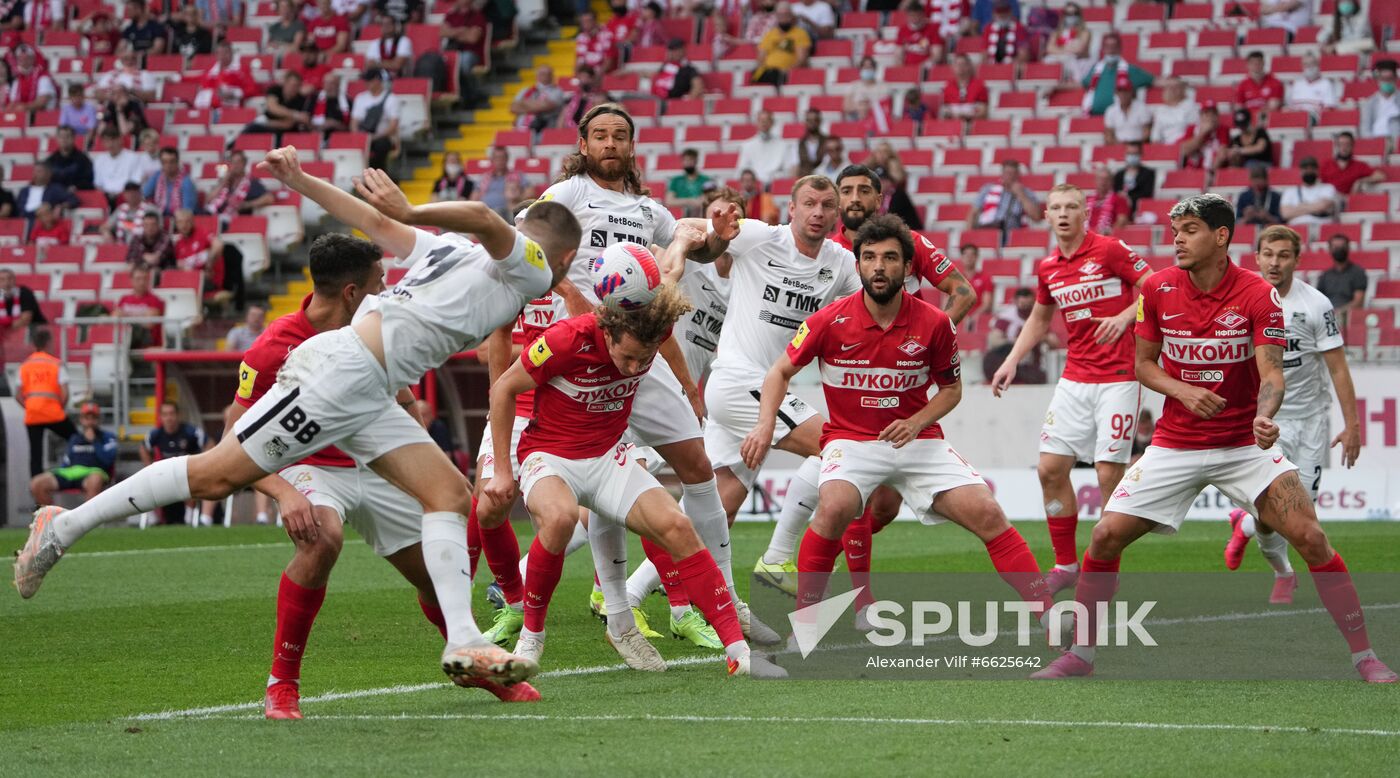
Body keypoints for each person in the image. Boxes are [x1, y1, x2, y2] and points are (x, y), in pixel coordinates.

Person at [13, 147, 583, 696]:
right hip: (339, 377)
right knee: (216, 475)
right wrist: (406, 208)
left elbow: (371, 222)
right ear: (561, 260)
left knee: (448, 496)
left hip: (370, 388)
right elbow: (475, 215)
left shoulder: (451, 248)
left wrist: (302, 181)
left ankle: (465, 640)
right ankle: (63, 527)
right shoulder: (531, 271)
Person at [1031, 194, 1396, 684]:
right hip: (1175, 444)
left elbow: (1272, 377)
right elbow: (1142, 365)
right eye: (1175, 229)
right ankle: (1080, 655)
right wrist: (1185, 390)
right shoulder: (1157, 288)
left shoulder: (1256, 294)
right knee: (1104, 536)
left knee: (1311, 537)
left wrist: (1266, 418)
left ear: (1221, 236)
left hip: (1245, 446)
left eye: (1189, 230)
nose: (1176, 239)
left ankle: (1365, 656)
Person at [238, 236, 538, 717]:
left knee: (436, 578)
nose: (388, 286)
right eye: (380, 279)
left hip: (375, 465)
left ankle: (474, 661)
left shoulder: (373, 328)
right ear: (353, 290)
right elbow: (236, 429)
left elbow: (405, 405)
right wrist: (282, 492)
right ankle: (282, 684)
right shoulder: (277, 343)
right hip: (311, 468)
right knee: (320, 537)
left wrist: (426, 473)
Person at [519, 104, 773, 647]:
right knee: (603, 475)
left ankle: (720, 596)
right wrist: (566, 292)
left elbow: (697, 252)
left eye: (620, 137)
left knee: (698, 468)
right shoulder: (565, 196)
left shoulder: (646, 209)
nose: (611, 144)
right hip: (586, 353)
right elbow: (525, 243)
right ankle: (614, 609)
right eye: (600, 136)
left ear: (632, 147)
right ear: (583, 145)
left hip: (641, 351)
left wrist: (722, 236)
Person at [744, 213, 1055, 636]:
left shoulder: (935, 323)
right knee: (834, 506)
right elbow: (779, 372)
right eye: (869, 257)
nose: (878, 266)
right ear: (858, 266)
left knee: (989, 513)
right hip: (851, 441)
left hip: (919, 441)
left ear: (908, 268)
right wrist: (765, 426)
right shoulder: (828, 321)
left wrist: (915, 421)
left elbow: (951, 390)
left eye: (890, 258)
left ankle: (1050, 614)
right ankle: (808, 624)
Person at [486, 242, 778, 676]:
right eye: (626, 356)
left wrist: (687, 387)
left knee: (679, 527)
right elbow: (503, 389)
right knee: (562, 518)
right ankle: (532, 641)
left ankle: (739, 653)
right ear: (607, 330)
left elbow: (667, 311)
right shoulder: (568, 339)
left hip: (609, 456)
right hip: (550, 456)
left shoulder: (653, 329)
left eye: (643, 358)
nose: (633, 366)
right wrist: (504, 470)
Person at [755, 167, 977, 591]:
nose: (854, 198)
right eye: (847, 191)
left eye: (864, 191)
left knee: (885, 505)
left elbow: (964, 292)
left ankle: (804, 560)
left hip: (896, 387)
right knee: (844, 482)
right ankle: (820, 578)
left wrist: (922, 343)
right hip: (840, 378)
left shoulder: (906, 244)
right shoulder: (826, 248)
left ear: (879, 199)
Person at [991, 183, 1152, 594]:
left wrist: (1124, 316)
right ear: (1046, 215)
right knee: (1049, 469)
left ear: (1084, 214)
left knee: (1107, 475)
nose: (1063, 214)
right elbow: (1041, 321)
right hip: (1075, 378)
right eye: (1056, 207)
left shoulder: (1111, 249)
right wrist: (1011, 360)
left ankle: (1106, 568)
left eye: (1072, 207)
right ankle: (1066, 563)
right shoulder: (1048, 267)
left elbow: (1157, 287)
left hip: (1119, 378)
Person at [1222, 225, 1362, 604]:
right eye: (1268, 254)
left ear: (1297, 260)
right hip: (1267, 422)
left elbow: (1338, 368)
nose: (1275, 262)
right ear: (1257, 257)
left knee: (1299, 516)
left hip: (1312, 422)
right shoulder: (1242, 298)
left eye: (1284, 255)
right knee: (1278, 512)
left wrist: (1352, 426)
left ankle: (1245, 526)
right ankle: (1283, 573)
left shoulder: (1316, 305)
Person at [30, 403, 118, 506]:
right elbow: (66, 462)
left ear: (99, 420)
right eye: (87, 418)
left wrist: (94, 441)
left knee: (95, 480)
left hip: (93, 473)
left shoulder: (108, 437)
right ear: (81, 420)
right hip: (70, 473)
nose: (90, 422)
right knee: (36, 483)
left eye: (93, 418)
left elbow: (108, 460)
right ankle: (54, 519)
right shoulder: (75, 439)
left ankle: (88, 520)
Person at [141, 402, 211, 526]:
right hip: (165, 473)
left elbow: (209, 444)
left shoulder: (191, 432)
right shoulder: (155, 434)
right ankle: (153, 520)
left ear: (178, 415)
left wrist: (203, 464)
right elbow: (143, 447)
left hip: (188, 470)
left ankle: (189, 518)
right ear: (160, 417)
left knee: (190, 482)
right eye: (165, 414)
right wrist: (148, 466)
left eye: (172, 414)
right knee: (144, 483)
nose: (169, 418)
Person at [17, 329, 75, 477]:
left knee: (35, 454)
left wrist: (29, 407)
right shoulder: (55, 364)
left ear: (34, 344)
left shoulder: (25, 365)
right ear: (48, 343)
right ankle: (76, 468)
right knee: (76, 438)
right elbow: (65, 393)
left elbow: (17, 395)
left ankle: (36, 489)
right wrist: (59, 406)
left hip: (33, 415)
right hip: (53, 413)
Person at [966, 159, 1043, 245]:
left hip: (1013, 234)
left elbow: (1036, 217)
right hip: (989, 231)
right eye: (1008, 173)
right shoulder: (988, 189)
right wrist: (970, 237)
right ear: (1002, 174)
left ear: (1018, 175)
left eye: (1013, 173)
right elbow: (973, 213)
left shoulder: (1026, 193)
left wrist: (1021, 195)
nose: (1010, 176)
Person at [1081, 33, 1152, 117]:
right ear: (1103, 49)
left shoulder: (1130, 70)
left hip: (1119, 118)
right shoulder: (1096, 69)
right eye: (1108, 47)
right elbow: (1082, 84)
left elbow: (1153, 80)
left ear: (1119, 49)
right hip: (1093, 116)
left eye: (1114, 47)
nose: (1111, 51)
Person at [352, 69, 402, 172]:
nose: (366, 83)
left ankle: (379, 176)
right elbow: (354, 121)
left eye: (369, 80)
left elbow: (393, 125)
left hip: (382, 137)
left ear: (377, 80)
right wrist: (358, 136)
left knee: (381, 146)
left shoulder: (391, 98)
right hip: (364, 136)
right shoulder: (360, 97)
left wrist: (374, 137)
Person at [207, 150, 275, 222]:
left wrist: (246, 205)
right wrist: (223, 182)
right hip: (213, 216)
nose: (235, 165)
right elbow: (208, 200)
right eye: (233, 163)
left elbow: (269, 198)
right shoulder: (225, 181)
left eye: (238, 162)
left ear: (244, 164)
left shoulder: (251, 182)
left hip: (233, 221)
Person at [752, 3, 811, 86]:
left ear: (791, 16)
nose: (783, 18)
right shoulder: (770, 34)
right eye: (780, 15)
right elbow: (761, 58)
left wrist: (787, 70)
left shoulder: (800, 34)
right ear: (776, 16)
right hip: (767, 72)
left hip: (785, 74)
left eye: (786, 15)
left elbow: (801, 60)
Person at [735, 110, 796, 186]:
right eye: (761, 120)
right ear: (756, 123)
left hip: (775, 186)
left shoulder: (783, 145)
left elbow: (788, 171)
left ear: (772, 123)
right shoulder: (747, 146)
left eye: (767, 120)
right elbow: (741, 171)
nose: (764, 123)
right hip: (754, 188)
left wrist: (775, 178)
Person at [194, 41, 258, 110]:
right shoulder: (210, 71)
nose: (223, 56)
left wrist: (235, 94)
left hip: (234, 109)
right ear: (216, 54)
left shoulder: (242, 70)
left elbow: (252, 89)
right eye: (220, 53)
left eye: (226, 52)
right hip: (211, 108)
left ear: (232, 53)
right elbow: (202, 89)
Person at [114, 265, 166, 349]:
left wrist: (126, 315)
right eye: (138, 279)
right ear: (131, 280)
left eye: (145, 279)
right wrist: (142, 315)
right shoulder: (124, 299)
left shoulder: (155, 300)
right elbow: (114, 318)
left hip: (147, 346)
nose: (142, 282)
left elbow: (149, 323)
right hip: (125, 344)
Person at [1279, 156, 1339, 226]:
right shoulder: (1290, 192)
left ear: (1317, 171)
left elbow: (1323, 206)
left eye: (1312, 168)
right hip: (1298, 227)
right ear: (1301, 172)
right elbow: (1285, 214)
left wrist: (1300, 207)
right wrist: (1314, 207)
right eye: (1306, 169)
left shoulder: (1328, 188)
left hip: (1322, 226)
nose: (1309, 171)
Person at [1320, 131, 1385, 195]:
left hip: (1348, 200)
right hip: (1329, 198)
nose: (1344, 148)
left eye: (1347, 144)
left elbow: (1380, 176)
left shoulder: (1359, 166)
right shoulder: (1326, 164)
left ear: (1352, 146)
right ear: (1337, 146)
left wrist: (1360, 181)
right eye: (1341, 144)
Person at [1316, 234, 1368, 315]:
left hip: (1348, 316)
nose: (1339, 250)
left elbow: (1358, 302)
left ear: (1348, 248)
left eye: (1342, 247)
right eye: (1335, 247)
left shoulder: (1358, 272)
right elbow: (1318, 301)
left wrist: (1339, 312)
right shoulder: (1325, 275)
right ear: (1329, 249)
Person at [510, 65, 565, 136]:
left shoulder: (557, 91)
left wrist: (523, 104)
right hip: (520, 129)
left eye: (548, 74)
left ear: (552, 76)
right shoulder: (526, 90)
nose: (545, 76)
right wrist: (537, 105)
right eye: (542, 74)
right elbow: (513, 107)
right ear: (537, 76)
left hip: (543, 130)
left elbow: (546, 106)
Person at [92, 129, 146, 202]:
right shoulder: (99, 160)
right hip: (105, 197)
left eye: (113, 140)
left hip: (126, 197)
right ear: (102, 143)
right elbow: (98, 184)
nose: (110, 144)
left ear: (120, 140)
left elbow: (136, 181)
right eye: (107, 141)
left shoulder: (133, 157)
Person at [144, 148, 199, 218]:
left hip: (179, 220)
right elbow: (144, 194)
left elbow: (188, 210)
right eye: (164, 162)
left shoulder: (186, 181)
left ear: (177, 162)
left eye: (172, 162)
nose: (168, 165)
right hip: (159, 217)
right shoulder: (157, 176)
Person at [1044, 2, 1091, 82]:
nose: (1071, 17)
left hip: (1077, 62)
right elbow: (1049, 48)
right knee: (1047, 60)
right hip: (1060, 59)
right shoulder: (1057, 32)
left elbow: (1079, 50)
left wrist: (1059, 49)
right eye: (1068, 14)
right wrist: (1066, 50)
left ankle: (1078, 82)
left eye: (1074, 13)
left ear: (1079, 15)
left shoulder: (1084, 32)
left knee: (1070, 59)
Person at [1287, 52, 1339, 120]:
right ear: (1302, 66)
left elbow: (1329, 109)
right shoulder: (1297, 84)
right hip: (1295, 118)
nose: (1309, 67)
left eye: (1312, 63)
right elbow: (1290, 107)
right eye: (1306, 64)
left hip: (1315, 119)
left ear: (1318, 65)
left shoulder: (1326, 84)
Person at [1149, 77, 1198, 146]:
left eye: (1176, 87)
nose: (1172, 90)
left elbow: (1193, 131)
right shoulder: (1160, 110)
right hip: (1164, 149)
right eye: (1169, 87)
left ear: (1182, 89)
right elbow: (1155, 136)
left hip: (1184, 146)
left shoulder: (1190, 106)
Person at [557, 64, 609, 130]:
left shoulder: (600, 96)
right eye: (581, 77)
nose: (583, 80)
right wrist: (559, 133)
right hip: (570, 131)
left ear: (592, 79)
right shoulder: (572, 98)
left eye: (586, 77)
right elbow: (562, 118)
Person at [1179, 103, 1229, 170]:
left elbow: (1222, 155)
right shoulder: (1192, 129)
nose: (1210, 117)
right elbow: (1185, 151)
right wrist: (1203, 132)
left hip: (1212, 170)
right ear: (1200, 116)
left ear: (1217, 116)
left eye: (1213, 114)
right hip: (1191, 171)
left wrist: (1210, 173)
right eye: (1206, 114)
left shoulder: (1222, 130)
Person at [1359, 59, 1400, 140]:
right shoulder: (1370, 102)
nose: (1387, 82)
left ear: (1396, 79)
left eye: (1389, 79)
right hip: (1375, 141)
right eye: (1383, 79)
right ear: (1378, 80)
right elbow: (1365, 129)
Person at [942, 53, 990, 122]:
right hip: (953, 125)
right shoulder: (948, 86)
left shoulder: (979, 85)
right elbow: (945, 110)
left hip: (973, 124)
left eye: (963, 64)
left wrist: (966, 117)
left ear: (969, 66)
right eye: (957, 64)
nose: (960, 67)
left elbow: (983, 112)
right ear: (953, 67)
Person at [1084, 164, 1130, 235]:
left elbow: (1121, 221)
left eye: (1106, 180)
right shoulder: (1086, 199)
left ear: (1112, 182)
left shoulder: (1120, 199)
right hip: (1085, 237)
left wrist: (1109, 233)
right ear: (1095, 181)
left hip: (1106, 238)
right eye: (1101, 179)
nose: (1103, 182)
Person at [8, 45, 57, 112]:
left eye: (26, 58)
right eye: (20, 59)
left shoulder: (43, 77)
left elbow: (42, 102)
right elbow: (13, 102)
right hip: (22, 116)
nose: (23, 62)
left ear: (33, 59)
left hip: (43, 118)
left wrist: (23, 107)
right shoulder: (17, 80)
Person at [1235, 51, 1285, 115]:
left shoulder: (1275, 82)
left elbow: (1273, 106)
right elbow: (1239, 107)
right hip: (1249, 120)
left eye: (1259, 62)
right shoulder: (1242, 85)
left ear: (1263, 63)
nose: (1256, 65)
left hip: (1267, 118)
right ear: (1247, 65)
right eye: (1253, 63)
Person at [45, 126, 93, 192]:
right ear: (57, 139)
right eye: (61, 137)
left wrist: (76, 187)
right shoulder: (50, 161)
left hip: (78, 196)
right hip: (55, 197)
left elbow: (88, 181)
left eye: (68, 136)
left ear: (74, 138)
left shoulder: (83, 160)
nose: (64, 139)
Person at [666, 148, 712, 217]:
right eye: (685, 160)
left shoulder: (706, 180)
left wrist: (680, 201)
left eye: (690, 160)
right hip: (679, 217)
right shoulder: (676, 180)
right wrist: (689, 201)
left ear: (696, 161)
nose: (688, 163)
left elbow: (706, 200)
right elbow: (669, 201)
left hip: (699, 216)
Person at [1113, 141, 1155, 216]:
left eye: (1135, 154)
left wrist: (1129, 198)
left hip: (1139, 210)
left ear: (1141, 154)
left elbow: (1147, 195)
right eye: (1130, 153)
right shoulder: (1119, 175)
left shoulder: (1148, 174)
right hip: (1120, 211)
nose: (1132, 156)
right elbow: (1114, 192)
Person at [982, 0, 1027, 64]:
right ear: (993, 14)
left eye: (1005, 11)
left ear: (1010, 12)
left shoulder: (1019, 28)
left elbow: (1023, 54)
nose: (1002, 15)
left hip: (1012, 66)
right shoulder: (988, 29)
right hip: (992, 67)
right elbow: (984, 53)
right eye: (999, 12)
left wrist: (1008, 67)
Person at [0, 269, 45, 333]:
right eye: (2, 280)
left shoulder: (24, 292)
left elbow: (25, 319)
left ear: (15, 280)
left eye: (10, 279)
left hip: (34, 330)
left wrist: (4, 332)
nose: (6, 283)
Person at [794, 108, 827, 178]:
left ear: (820, 122)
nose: (812, 123)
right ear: (805, 122)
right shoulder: (799, 143)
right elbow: (795, 166)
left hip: (823, 178)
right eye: (809, 120)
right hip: (804, 179)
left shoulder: (827, 141)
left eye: (815, 120)